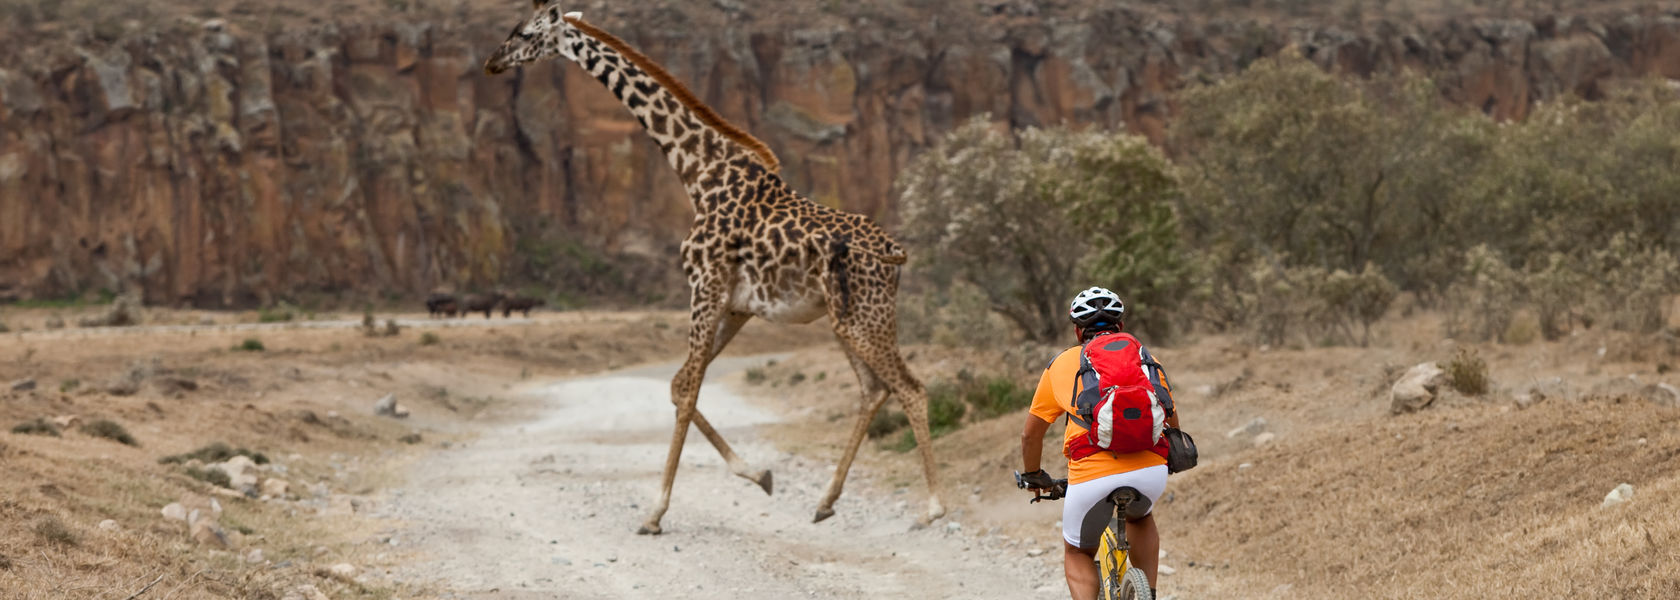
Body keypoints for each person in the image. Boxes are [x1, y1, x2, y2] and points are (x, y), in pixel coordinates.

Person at [1019, 287, 1176, 600]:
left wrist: (1034, 474)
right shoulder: (1145, 357)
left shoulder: (1061, 365)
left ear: (1078, 331)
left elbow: (1031, 435)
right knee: (1141, 517)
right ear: (1120, 326)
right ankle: (1150, 594)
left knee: (1077, 551)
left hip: (1092, 475)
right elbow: (1170, 416)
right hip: (1150, 472)